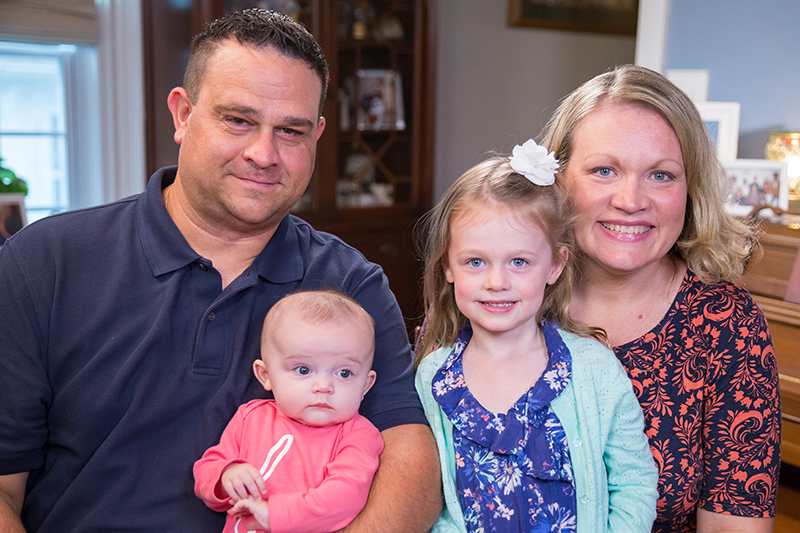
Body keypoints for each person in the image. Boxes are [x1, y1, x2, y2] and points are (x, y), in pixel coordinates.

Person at [0, 9, 441, 533]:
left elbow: (412, 469)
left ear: (318, 136)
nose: (264, 153)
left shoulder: (349, 283)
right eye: (239, 120)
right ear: (183, 115)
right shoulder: (44, 261)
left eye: (291, 131)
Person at [539, 64, 781, 532]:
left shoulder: (727, 323)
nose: (631, 200)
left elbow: (736, 526)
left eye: (661, 176)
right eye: (604, 170)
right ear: (558, 177)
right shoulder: (496, 292)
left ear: (691, 190)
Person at [415, 141, 659, 532]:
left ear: (554, 265)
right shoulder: (433, 377)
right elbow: (435, 498)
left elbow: (634, 482)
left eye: (519, 262)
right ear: (448, 266)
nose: (497, 282)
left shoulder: (593, 368)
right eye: (475, 262)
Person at [194, 290, 384, 533]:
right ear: (266, 375)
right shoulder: (250, 417)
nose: (323, 387)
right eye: (303, 370)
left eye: (344, 373)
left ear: (366, 385)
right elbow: (206, 469)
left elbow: (345, 496)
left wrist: (276, 515)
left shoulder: (358, 435)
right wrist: (226, 475)